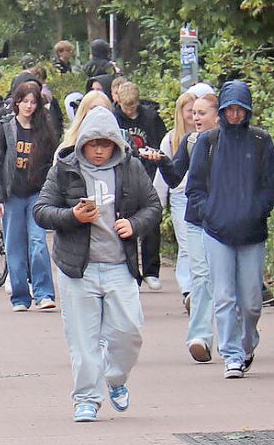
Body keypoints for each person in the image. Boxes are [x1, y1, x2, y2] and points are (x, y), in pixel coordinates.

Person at [34, 106, 162, 423]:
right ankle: (86, 399)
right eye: (94, 144)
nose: (100, 150)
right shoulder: (65, 168)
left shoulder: (131, 168)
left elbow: (153, 206)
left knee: (129, 332)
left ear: (116, 144)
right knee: (83, 339)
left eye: (106, 144)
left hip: (120, 264)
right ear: (83, 143)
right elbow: (42, 210)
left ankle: (115, 378)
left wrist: (134, 224)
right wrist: (72, 217)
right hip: (79, 267)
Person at [186, 81, 274, 379]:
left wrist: (257, 209)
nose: (235, 114)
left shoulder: (262, 141)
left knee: (251, 301)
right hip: (216, 232)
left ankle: (247, 344)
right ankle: (231, 354)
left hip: (251, 232)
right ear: (222, 110)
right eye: (230, 109)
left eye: (240, 109)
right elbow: (194, 188)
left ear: (247, 111)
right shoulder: (207, 143)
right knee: (224, 296)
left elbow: (269, 187)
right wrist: (210, 212)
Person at [140, 93, 220, 363]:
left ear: (217, 116)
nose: (195, 118)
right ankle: (200, 337)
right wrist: (162, 161)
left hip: (228, 222)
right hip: (197, 218)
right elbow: (175, 179)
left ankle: (241, 339)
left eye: (202, 113)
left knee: (228, 283)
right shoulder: (190, 142)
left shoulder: (233, 143)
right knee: (200, 277)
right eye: (193, 113)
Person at [0, 81, 58, 311]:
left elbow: (52, 162)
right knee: (14, 245)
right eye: (24, 101)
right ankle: (20, 297)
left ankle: (44, 293)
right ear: (16, 102)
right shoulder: (5, 128)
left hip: (37, 194)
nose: (28, 106)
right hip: (12, 195)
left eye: (33, 102)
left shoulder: (44, 129)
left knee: (38, 242)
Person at [114, 81, 167, 290]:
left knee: (151, 222)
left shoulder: (151, 118)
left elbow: (162, 143)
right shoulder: (113, 117)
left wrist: (155, 155)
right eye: (125, 107)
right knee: (126, 223)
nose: (129, 111)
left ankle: (151, 270)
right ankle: (131, 271)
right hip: (125, 174)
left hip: (149, 172)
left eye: (132, 107)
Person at [151, 92, 197, 307]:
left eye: (197, 111)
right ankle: (188, 290)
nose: (193, 115)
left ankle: (200, 288)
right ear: (181, 113)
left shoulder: (207, 134)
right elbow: (163, 174)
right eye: (190, 111)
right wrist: (156, 204)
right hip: (180, 194)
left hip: (202, 195)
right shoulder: (171, 138)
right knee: (186, 244)